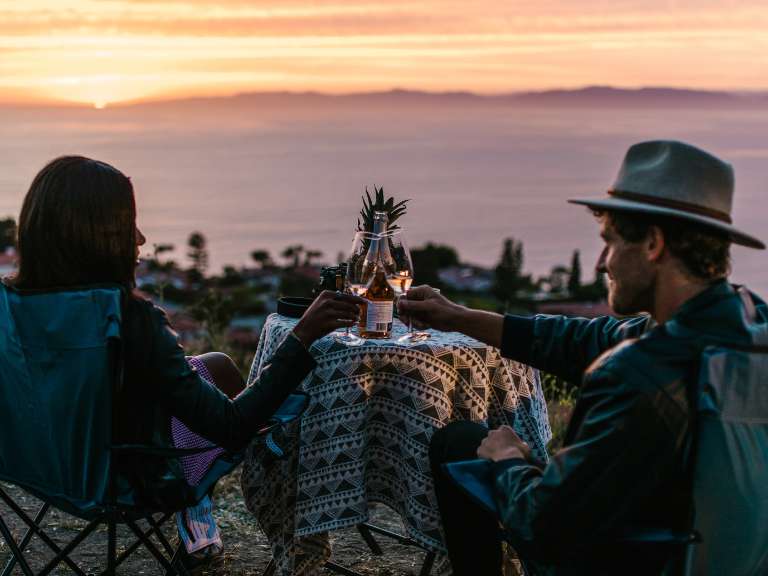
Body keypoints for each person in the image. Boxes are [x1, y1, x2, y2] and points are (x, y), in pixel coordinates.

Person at [398, 140, 767, 575]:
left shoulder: (638, 374)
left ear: (652, 243)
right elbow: (582, 339)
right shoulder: (747, 325)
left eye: (609, 243)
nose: (601, 264)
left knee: (459, 444)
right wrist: (459, 317)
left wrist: (508, 461)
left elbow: (545, 529)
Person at [5, 155, 363, 571]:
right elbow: (229, 427)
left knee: (216, 365)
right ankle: (248, 524)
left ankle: (200, 518)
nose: (139, 239)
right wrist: (302, 336)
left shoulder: (8, 309)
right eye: (128, 225)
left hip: (38, 467)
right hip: (122, 481)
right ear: (97, 236)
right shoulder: (126, 320)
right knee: (270, 414)